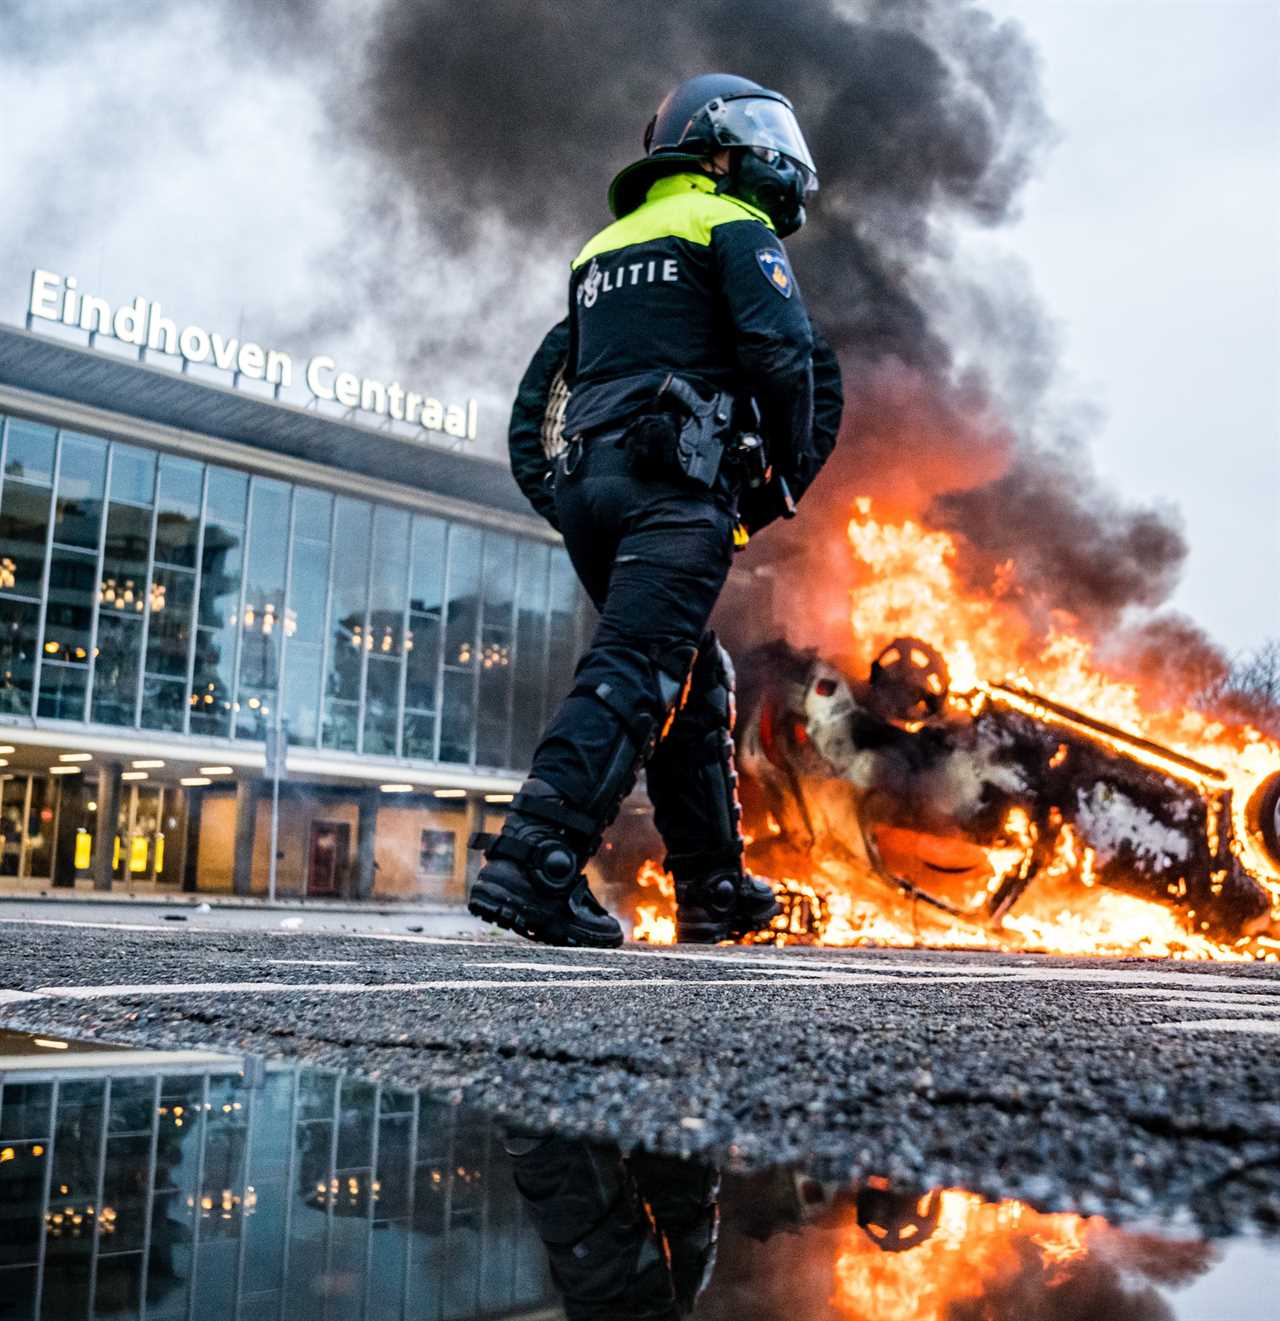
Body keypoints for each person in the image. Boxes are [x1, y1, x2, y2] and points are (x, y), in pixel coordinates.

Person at [470, 73, 843, 948]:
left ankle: (713, 886)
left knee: (691, 672)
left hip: (592, 494)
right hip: (677, 490)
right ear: (709, 147)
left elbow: (542, 400)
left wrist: (561, 498)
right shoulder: (731, 226)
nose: (773, 150)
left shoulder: (602, 252)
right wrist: (775, 482)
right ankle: (538, 860)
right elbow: (788, 357)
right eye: (754, 131)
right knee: (639, 666)